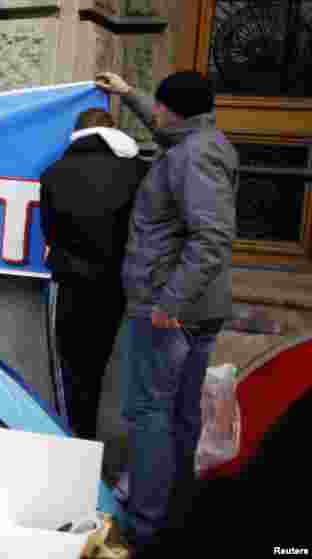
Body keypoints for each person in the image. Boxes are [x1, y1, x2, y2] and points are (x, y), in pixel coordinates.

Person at [95, 71, 238, 556]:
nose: (153, 112)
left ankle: (144, 526)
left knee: (149, 414)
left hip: (169, 309)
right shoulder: (198, 141)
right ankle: (176, 515)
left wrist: (169, 302)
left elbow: (211, 238)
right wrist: (127, 94)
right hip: (195, 307)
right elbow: (166, 133)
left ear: (171, 110)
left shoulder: (192, 157)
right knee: (178, 414)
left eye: (157, 104)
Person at [40, 108, 149, 440]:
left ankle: (76, 439)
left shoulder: (54, 173)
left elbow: (50, 230)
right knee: (104, 365)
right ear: (114, 132)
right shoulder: (139, 172)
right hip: (118, 284)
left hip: (69, 282)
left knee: (69, 369)